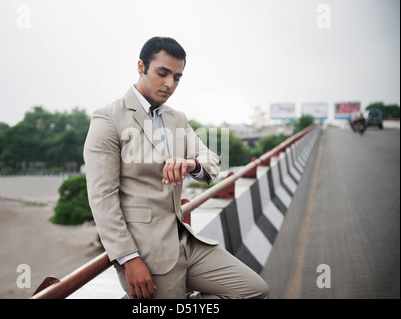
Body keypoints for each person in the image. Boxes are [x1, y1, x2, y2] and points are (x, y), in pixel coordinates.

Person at [83, 36, 269, 299]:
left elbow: (212, 161)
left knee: (255, 291)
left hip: (186, 241)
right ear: (140, 67)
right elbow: (102, 196)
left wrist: (191, 163)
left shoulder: (176, 118)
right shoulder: (109, 118)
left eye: (178, 77)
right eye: (163, 73)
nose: (170, 84)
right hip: (146, 251)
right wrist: (129, 258)